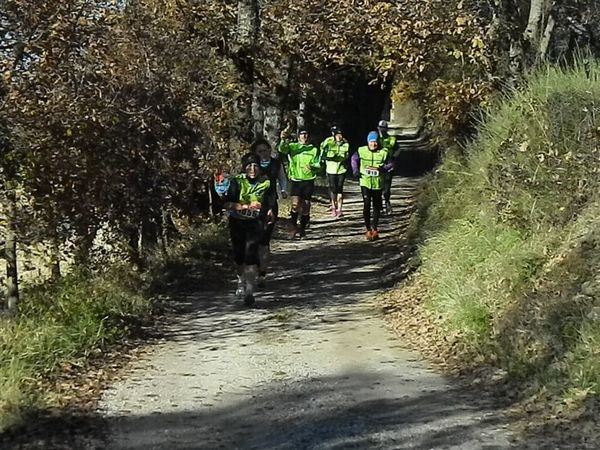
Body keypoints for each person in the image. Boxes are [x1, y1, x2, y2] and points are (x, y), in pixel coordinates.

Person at [223, 153, 275, 306]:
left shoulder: (266, 182)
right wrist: (241, 206)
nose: (252, 169)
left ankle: (250, 291)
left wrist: (269, 210)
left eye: (255, 166)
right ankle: (240, 282)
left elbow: (270, 199)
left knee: (251, 253)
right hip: (237, 222)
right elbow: (227, 204)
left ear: (260, 168)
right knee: (239, 256)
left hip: (255, 222)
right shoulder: (236, 182)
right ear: (244, 168)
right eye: (249, 166)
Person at [251, 138, 288, 288]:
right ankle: (254, 267)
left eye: (265, 150)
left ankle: (262, 274)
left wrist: (284, 190)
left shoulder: (275, 164)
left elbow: (282, 178)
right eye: (260, 151)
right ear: (255, 153)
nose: (263, 154)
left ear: (269, 151)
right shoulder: (251, 166)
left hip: (270, 205)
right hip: (252, 206)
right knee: (254, 240)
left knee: (264, 240)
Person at [278, 128, 320, 238]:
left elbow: (319, 164)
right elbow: (282, 149)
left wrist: (313, 167)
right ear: (298, 136)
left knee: (306, 206)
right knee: (295, 205)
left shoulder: (313, 149)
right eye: (302, 134)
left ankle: (302, 230)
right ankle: (293, 228)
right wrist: (283, 139)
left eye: (306, 134)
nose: (304, 136)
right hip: (295, 179)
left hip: (308, 179)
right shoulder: (292, 146)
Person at [351, 131, 392, 241]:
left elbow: (391, 164)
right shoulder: (361, 150)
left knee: (376, 206)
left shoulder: (384, 152)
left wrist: (383, 169)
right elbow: (354, 159)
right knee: (367, 203)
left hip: (378, 183)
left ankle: (375, 228)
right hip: (365, 181)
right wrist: (355, 170)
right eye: (371, 142)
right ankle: (368, 229)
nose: (373, 144)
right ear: (368, 142)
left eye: (375, 142)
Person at [319, 125, 350, 218]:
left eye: (340, 134)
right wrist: (325, 159)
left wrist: (342, 157)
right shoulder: (328, 142)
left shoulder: (345, 143)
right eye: (337, 134)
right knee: (333, 189)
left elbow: (346, 155)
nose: (339, 136)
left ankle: (340, 209)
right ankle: (333, 206)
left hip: (341, 169)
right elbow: (322, 153)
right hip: (330, 169)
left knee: (340, 188)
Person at [377, 120, 398, 215]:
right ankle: (379, 207)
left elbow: (398, 149)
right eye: (381, 128)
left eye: (384, 128)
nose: (382, 130)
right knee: (378, 187)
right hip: (378, 164)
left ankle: (387, 203)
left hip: (389, 164)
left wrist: (393, 157)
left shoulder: (392, 139)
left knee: (387, 187)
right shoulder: (376, 139)